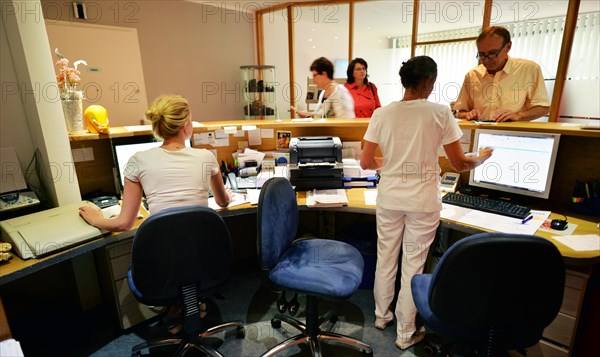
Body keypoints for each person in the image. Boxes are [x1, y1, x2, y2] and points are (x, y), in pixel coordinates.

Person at [360, 56, 493, 350]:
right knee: (413, 265)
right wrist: (481, 158)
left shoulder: (382, 113)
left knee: (386, 257)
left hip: (390, 197)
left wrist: (394, 163)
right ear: (427, 82)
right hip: (422, 201)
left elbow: (366, 162)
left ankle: (382, 317)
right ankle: (405, 333)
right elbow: (459, 164)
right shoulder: (440, 113)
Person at [79, 94, 233, 232]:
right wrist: (228, 197)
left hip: (162, 256)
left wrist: (97, 219)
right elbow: (222, 202)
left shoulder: (137, 161)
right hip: (202, 252)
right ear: (185, 125)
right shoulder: (206, 157)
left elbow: (124, 224)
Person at [454, 26, 550, 122]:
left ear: (508, 47)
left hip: (513, 134)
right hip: (478, 133)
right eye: (482, 55)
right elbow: (460, 112)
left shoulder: (529, 69)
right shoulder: (472, 75)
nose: (487, 60)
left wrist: (519, 115)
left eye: (492, 53)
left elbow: (543, 108)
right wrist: (468, 114)